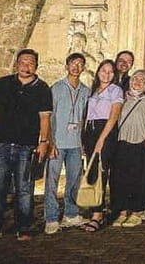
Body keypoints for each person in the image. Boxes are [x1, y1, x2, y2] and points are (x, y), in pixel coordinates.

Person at [0, 49, 52, 243]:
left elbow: (45, 117)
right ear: (17, 64)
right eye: (23, 62)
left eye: (30, 63)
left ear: (36, 66)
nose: (26, 66)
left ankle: (23, 226)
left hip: (26, 146)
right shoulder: (3, 83)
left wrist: (43, 142)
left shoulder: (42, 88)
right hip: (1, 144)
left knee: (25, 188)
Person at [44, 53, 91, 234]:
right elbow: (48, 117)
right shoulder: (55, 88)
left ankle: (71, 214)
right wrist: (50, 142)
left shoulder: (86, 91)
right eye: (73, 63)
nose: (76, 67)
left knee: (74, 180)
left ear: (83, 68)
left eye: (80, 64)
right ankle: (51, 218)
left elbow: (85, 118)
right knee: (52, 181)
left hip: (76, 143)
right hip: (57, 142)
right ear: (66, 66)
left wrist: (84, 141)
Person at [81, 59, 123, 232]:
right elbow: (87, 115)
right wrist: (84, 137)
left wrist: (101, 139)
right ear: (98, 72)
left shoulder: (115, 90)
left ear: (114, 75)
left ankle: (98, 215)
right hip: (90, 131)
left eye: (110, 71)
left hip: (105, 131)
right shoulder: (93, 90)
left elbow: (114, 116)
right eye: (104, 70)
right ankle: (94, 209)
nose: (106, 74)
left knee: (101, 171)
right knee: (92, 170)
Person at [111, 70, 145, 227]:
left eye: (142, 80)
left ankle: (136, 212)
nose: (138, 82)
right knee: (120, 179)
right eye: (136, 78)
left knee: (138, 179)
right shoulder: (121, 98)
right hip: (122, 142)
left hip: (140, 143)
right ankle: (122, 212)